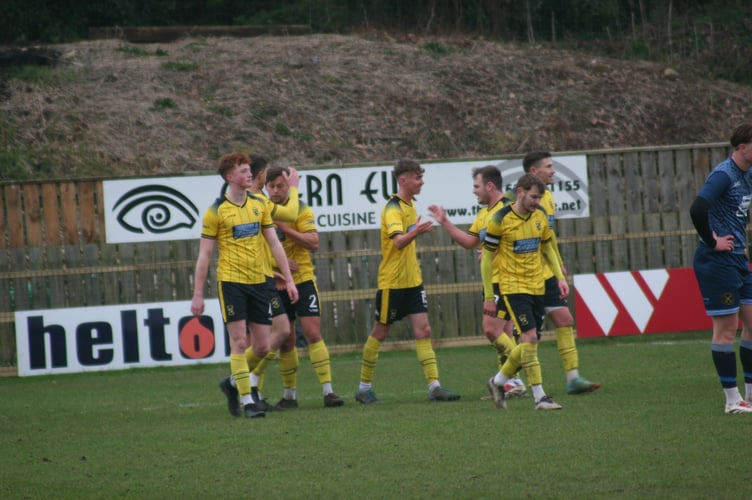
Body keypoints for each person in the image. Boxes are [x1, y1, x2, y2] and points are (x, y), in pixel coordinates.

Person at [191, 152, 299, 419]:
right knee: (239, 342)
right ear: (230, 177)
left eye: (249, 170)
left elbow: (274, 243)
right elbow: (204, 255)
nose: (249, 174)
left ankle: (231, 382)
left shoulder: (259, 205)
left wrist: (289, 278)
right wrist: (197, 295)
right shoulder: (216, 212)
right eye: (243, 170)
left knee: (262, 347)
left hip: (261, 282)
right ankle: (248, 400)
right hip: (232, 283)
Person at [354, 159, 461, 404]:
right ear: (403, 180)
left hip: (413, 281)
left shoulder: (410, 205)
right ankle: (363, 388)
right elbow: (398, 241)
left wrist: (416, 230)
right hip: (392, 283)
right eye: (417, 177)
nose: (421, 181)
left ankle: (435, 387)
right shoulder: (393, 208)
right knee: (380, 333)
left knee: (424, 330)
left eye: (421, 177)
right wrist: (417, 231)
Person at [501, 152, 600, 395]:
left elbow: (549, 239)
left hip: (547, 274)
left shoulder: (549, 199)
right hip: (521, 279)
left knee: (565, 319)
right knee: (529, 336)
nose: (553, 170)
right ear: (533, 173)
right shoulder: (511, 204)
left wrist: (559, 268)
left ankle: (573, 378)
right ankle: (504, 379)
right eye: (549, 166)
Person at [427, 166, 523, 397]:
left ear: (490, 186)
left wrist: (496, 253)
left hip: (507, 280)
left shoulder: (507, 210)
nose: (474, 191)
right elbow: (470, 242)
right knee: (504, 334)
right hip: (494, 280)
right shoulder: (484, 214)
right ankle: (510, 382)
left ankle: (518, 375)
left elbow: (519, 240)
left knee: (491, 330)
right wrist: (445, 222)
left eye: (476, 186)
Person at [483, 173, 567, 410]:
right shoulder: (500, 219)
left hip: (537, 286)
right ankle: (540, 397)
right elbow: (486, 259)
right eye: (533, 196)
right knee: (529, 338)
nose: (537, 201)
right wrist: (490, 295)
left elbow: (548, 247)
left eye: (540, 197)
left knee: (531, 342)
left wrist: (559, 278)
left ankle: (498, 381)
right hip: (513, 288)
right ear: (520, 192)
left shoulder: (539, 216)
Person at [263, 165, 344, 408]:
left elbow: (314, 242)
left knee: (312, 333)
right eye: (271, 186)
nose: (275, 191)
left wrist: (286, 228)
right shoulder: (262, 210)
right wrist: (278, 265)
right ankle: (289, 396)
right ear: (265, 186)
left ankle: (328, 391)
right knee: (285, 340)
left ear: (289, 186)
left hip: (303, 280)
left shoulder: (301, 209)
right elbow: (254, 249)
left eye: (280, 186)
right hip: (275, 284)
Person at [690, 122, 752, 414]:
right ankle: (731, 400)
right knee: (726, 329)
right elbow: (698, 208)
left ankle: (749, 395)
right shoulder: (723, 175)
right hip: (717, 261)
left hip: (738, 259)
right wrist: (712, 240)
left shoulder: (746, 173)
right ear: (742, 148)